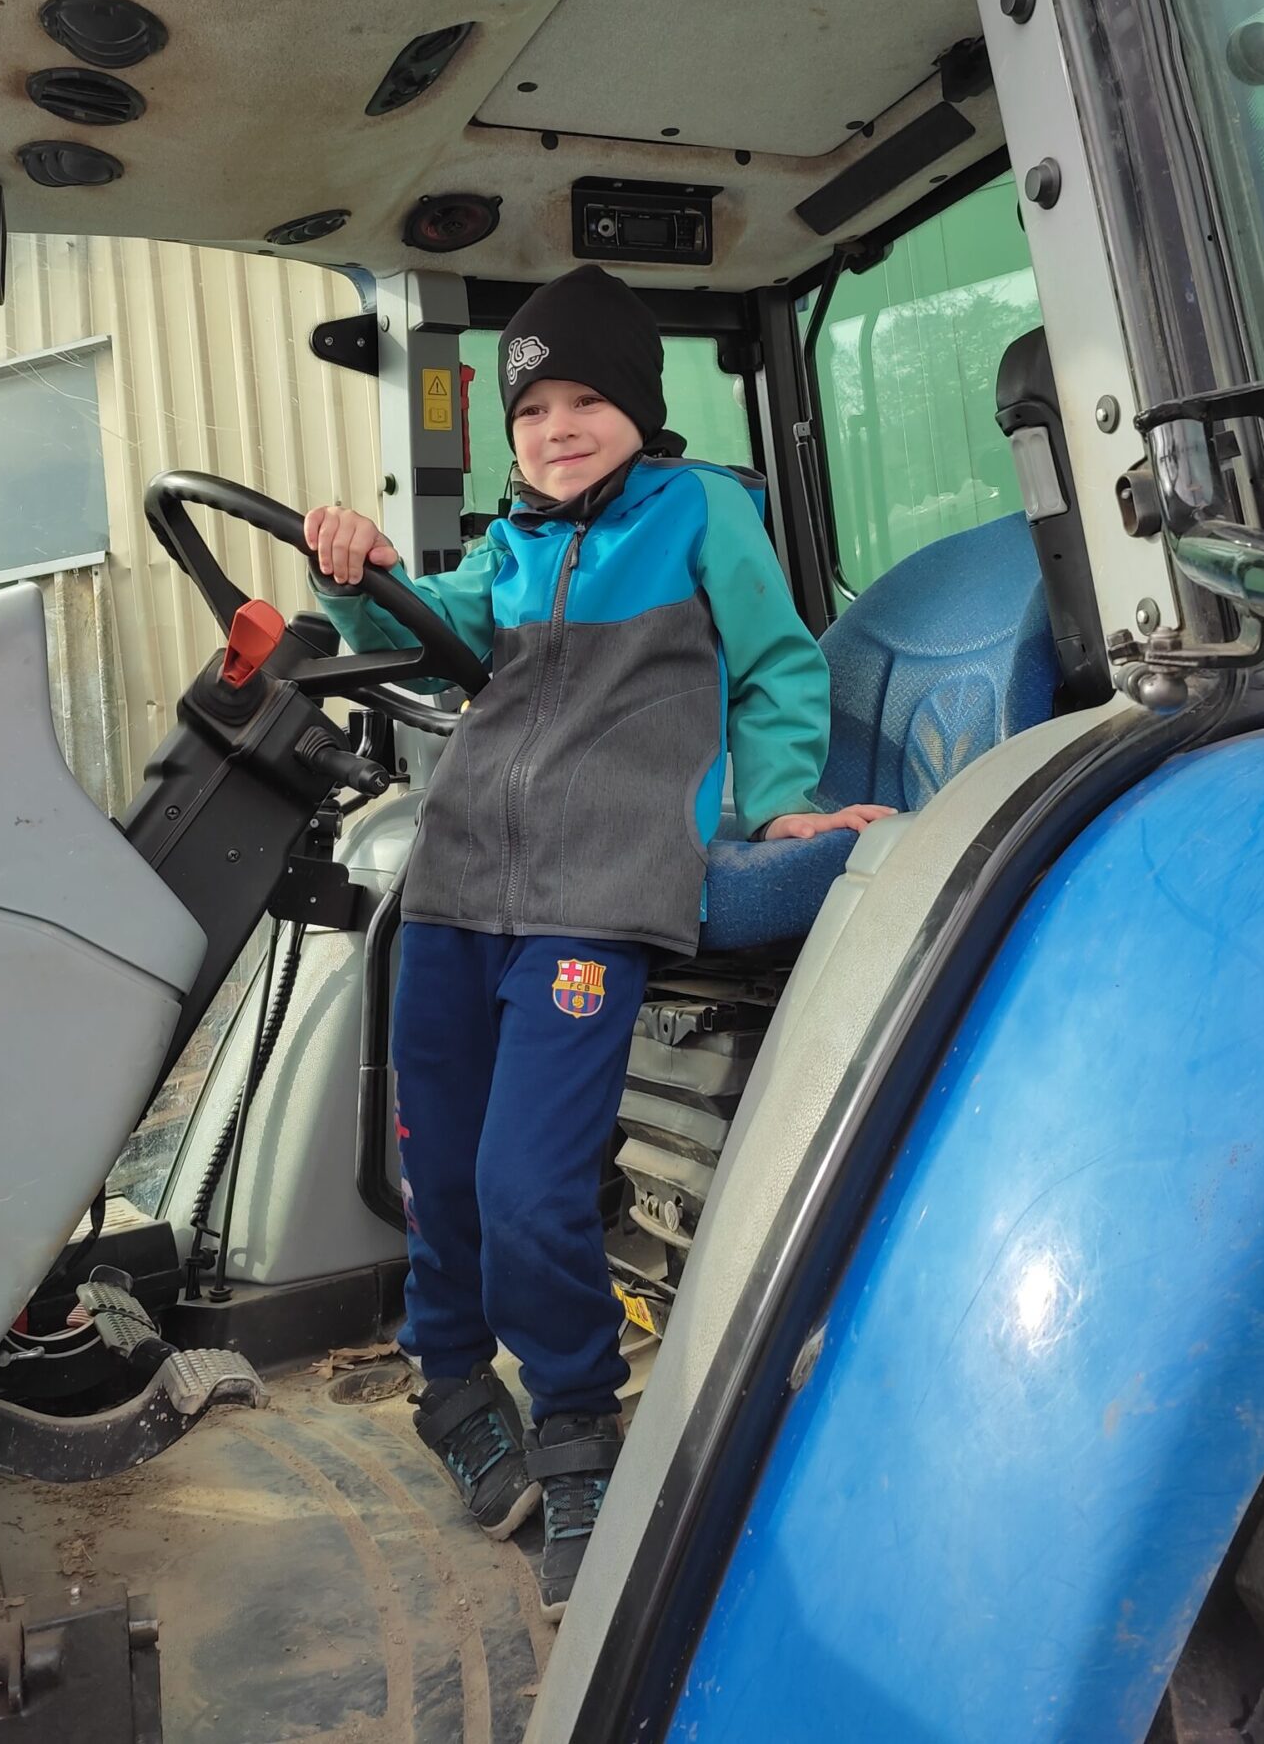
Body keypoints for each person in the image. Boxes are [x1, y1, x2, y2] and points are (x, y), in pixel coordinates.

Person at [304, 263, 891, 1617]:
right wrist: (357, 578)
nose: (557, 429)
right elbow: (423, 630)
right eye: (531, 411)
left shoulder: (700, 512)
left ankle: (575, 1422)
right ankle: (451, 1379)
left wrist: (781, 803)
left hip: (598, 896)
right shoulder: (506, 551)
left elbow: (777, 662)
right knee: (439, 1173)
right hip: (457, 887)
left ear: (637, 407)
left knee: (528, 1185)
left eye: (584, 401)